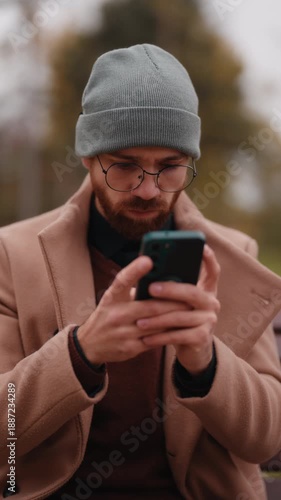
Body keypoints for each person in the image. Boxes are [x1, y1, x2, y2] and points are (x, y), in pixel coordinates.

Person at [0, 44, 281, 500]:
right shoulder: (13, 255)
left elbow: (266, 439)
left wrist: (204, 360)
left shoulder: (232, 257)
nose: (149, 189)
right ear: (89, 157)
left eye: (170, 167)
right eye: (126, 167)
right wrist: (80, 353)